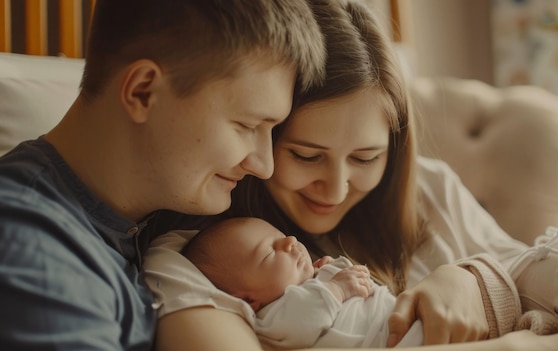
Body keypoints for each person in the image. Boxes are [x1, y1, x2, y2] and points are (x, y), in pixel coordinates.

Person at [144, 0, 558, 350]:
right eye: (306, 156)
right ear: (260, 138)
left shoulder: (428, 186)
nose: (337, 187)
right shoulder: (197, 257)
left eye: (365, 158)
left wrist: (467, 275)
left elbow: (533, 271)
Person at [0, 0, 326, 349]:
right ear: (143, 91)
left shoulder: (159, 217)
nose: (264, 166)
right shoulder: (35, 255)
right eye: (247, 125)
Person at [178, 216, 558, 349]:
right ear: (248, 300)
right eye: (269, 252)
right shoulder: (273, 319)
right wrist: (335, 287)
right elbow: (300, 320)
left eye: (282, 235)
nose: (290, 241)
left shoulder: (308, 280)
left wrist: (331, 272)